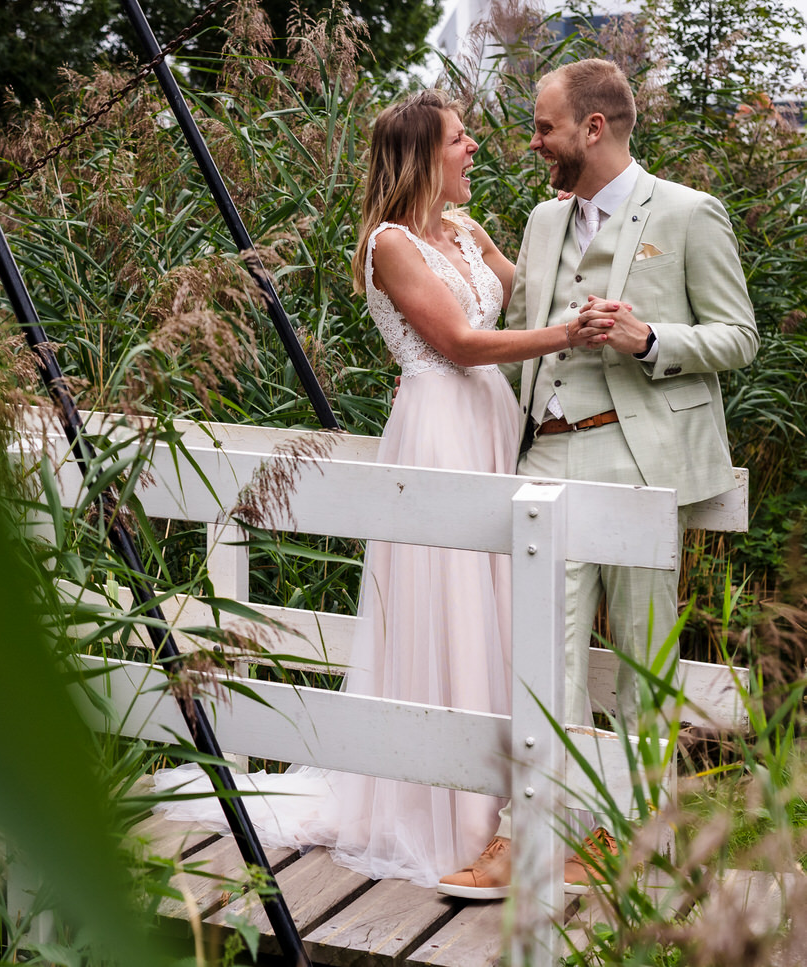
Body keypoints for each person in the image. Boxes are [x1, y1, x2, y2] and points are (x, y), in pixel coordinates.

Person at [152, 89, 593, 887]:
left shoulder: (466, 228)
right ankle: (449, 812)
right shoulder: (389, 244)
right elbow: (457, 342)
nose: (473, 150)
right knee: (452, 602)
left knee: (505, 602)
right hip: (437, 429)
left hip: (493, 423)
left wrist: (572, 231)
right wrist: (571, 333)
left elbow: (531, 294)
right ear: (425, 153)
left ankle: (521, 812)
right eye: (460, 140)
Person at [437, 59, 758, 900]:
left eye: (543, 127)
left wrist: (652, 340)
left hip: (642, 461)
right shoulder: (543, 222)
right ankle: (526, 838)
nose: (532, 141)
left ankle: (633, 837)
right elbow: (511, 325)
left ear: (593, 128)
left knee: (644, 664)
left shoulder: (687, 212)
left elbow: (739, 335)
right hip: (547, 455)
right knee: (541, 656)